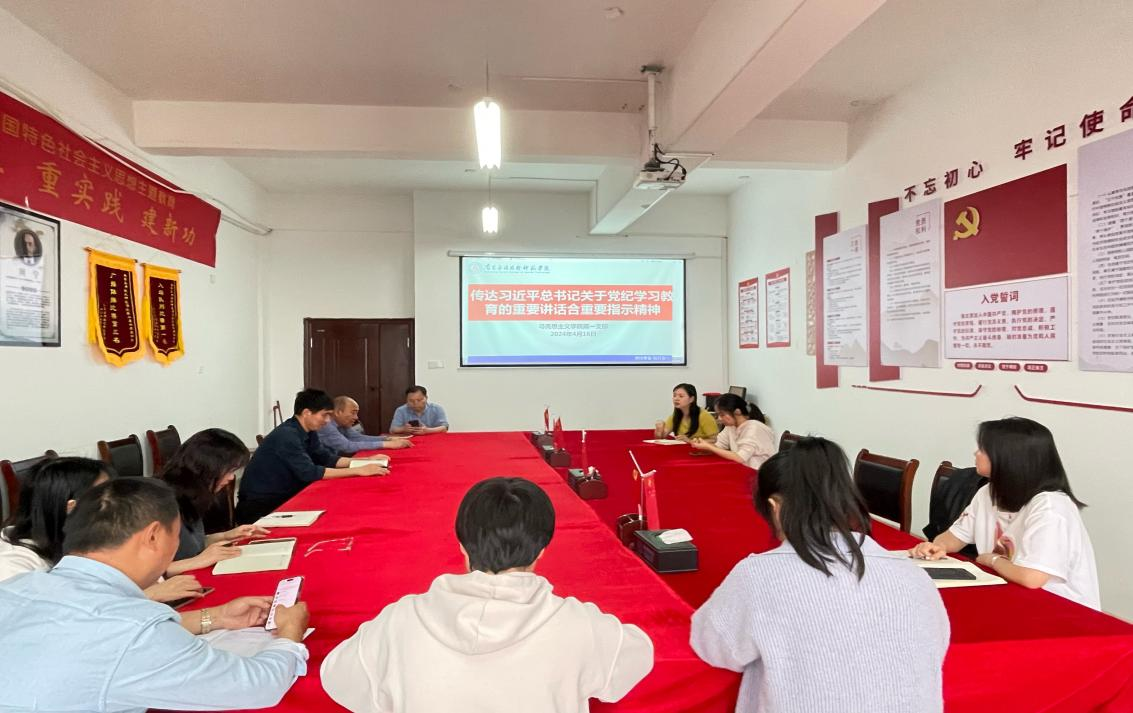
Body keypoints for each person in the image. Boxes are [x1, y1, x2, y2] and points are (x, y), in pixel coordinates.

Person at [321, 477, 654, 713]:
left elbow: (338, 677)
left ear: (462, 546)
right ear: (542, 550)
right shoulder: (578, 624)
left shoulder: (400, 620)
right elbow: (636, 656)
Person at [0, 477, 311, 712]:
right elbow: (256, 687)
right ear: (153, 536)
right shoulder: (134, 630)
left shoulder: (18, 588)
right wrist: (289, 633)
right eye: (175, 535)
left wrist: (216, 617)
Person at [691, 438, 949, 713]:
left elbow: (714, 647)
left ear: (775, 507)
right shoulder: (912, 575)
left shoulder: (758, 575)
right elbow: (937, 645)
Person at [910, 417, 1099, 610]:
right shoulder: (988, 491)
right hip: (1010, 595)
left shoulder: (1051, 507)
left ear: (1008, 458)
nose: (975, 453)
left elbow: (1032, 578)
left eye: (982, 449)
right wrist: (937, 547)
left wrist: (992, 560)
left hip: (1060, 609)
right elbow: (956, 536)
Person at [0, 456, 203, 605]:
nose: (118, 505)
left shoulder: (87, 542)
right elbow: (47, 627)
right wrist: (145, 596)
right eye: (106, 499)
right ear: (72, 508)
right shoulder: (13, 566)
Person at [236, 388, 391, 524]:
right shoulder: (287, 435)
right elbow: (310, 472)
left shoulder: (309, 431)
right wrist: (358, 471)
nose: (327, 421)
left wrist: (363, 461)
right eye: (324, 415)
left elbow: (326, 458)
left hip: (287, 495)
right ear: (306, 413)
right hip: (263, 506)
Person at [158, 428, 270, 567]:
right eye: (229, 471)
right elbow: (146, 573)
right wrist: (198, 561)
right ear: (208, 467)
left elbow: (192, 546)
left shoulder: (193, 495)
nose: (231, 477)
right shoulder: (161, 502)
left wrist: (226, 536)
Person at [690, 393, 776, 469]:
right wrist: (703, 444)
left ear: (737, 412)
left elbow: (740, 457)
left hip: (760, 474)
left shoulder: (754, 428)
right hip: (743, 469)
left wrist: (709, 447)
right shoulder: (731, 426)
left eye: (722, 414)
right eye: (718, 414)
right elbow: (719, 445)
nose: (719, 418)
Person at [317, 395, 413, 456]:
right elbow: (347, 446)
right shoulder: (326, 425)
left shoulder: (343, 423)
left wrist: (388, 439)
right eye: (353, 413)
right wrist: (386, 444)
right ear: (338, 412)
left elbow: (357, 438)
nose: (356, 417)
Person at [653, 383, 719, 442]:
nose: (676, 399)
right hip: (683, 449)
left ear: (691, 399)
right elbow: (661, 438)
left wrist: (689, 441)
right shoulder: (675, 416)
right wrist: (659, 429)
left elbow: (714, 440)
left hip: (701, 450)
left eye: (681, 396)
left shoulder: (703, 416)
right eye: (674, 396)